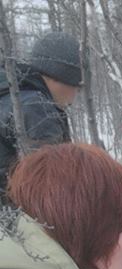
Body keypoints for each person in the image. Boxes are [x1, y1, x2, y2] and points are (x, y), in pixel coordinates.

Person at [0, 31, 82, 199]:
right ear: (60, 77)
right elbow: (54, 187)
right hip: (17, 216)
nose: (75, 94)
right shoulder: (36, 108)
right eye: (76, 86)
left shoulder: (14, 94)